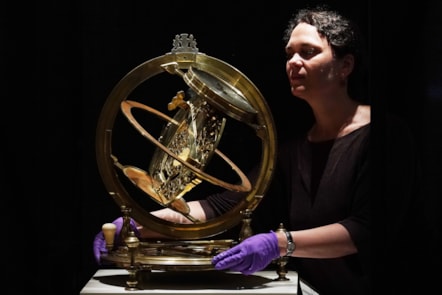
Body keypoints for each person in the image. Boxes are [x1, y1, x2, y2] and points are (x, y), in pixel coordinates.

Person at [94, 5, 422, 295]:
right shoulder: (294, 150)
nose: (293, 62)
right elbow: (222, 204)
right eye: (289, 54)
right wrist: (139, 222)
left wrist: (279, 243)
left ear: (345, 65)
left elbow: (366, 229)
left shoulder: (385, 134)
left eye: (308, 52)